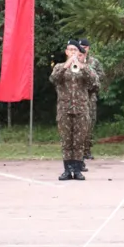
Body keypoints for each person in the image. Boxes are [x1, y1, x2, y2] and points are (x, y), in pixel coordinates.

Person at [49, 40, 99, 180]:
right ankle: (67, 170)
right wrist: (66, 65)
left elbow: (94, 81)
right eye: (70, 50)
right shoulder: (59, 67)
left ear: (79, 52)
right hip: (64, 109)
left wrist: (82, 66)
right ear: (66, 52)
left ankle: (77, 170)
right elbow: (53, 79)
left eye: (75, 50)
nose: (72, 52)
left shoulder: (84, 68)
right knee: (66, 141)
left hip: (81, 109)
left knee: (78, 141)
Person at [79, 38, 104, 162]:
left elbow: (101, 76)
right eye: (81, 46)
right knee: (79, 123)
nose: (83, 48)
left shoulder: (94, 62)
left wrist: (93, 78)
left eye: (85, 46)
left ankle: (87, 150)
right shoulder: (74, 61)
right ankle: (77, 151)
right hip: (77, 96)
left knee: (90, 123)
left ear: (88, 48)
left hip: (90, 96)